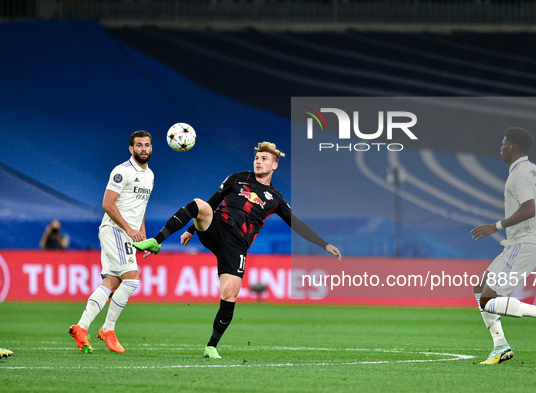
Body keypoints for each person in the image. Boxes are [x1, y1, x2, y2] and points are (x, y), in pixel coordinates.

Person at [134, 141, 342, 359]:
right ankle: (156, 241)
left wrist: (324, 244)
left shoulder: (276, 199)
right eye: (257, 158)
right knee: (198, 203)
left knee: (229, 295)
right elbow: (212, 202)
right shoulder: (237, 178)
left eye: (264, 159)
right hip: (216, 228)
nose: (259, 162)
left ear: (274, 165)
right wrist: (190, 230)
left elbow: (297, 224)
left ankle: (211, 346)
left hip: (237, 245)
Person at [471, 127, 536, 365]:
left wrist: (495, 225)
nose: (500, 148)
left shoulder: (519, 174)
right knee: (480, 288)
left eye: (503, 143)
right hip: (517, 244)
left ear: (511, 147)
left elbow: (529, 208)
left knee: (488, 300)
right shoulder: (533, 169)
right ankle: (500, 346)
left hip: (524, 243)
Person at [69, 130, 154, 354]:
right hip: (116, 230)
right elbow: (107, 203)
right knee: (132, 281)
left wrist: (142, 235)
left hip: (126, 234)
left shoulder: (150, 176)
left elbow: (140, 207)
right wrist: (128, 229)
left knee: (112, 283)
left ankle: (81, 326)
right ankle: (108, 329)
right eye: (139, 145)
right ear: (131, 149)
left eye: (147, 145)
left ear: (151, 148)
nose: (143, 149)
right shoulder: (122, 171)